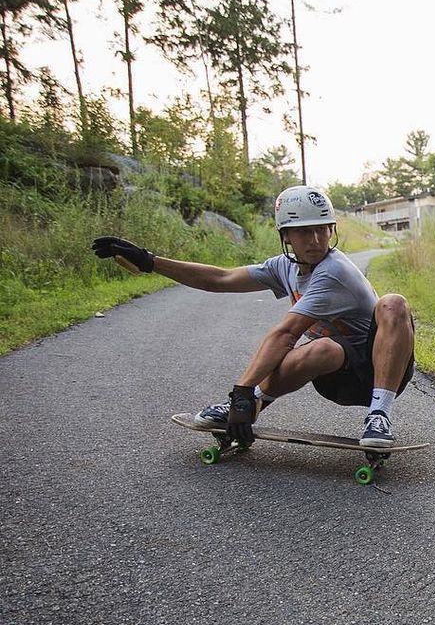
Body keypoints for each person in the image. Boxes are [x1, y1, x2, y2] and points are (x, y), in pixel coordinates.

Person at [92, 186, 415, 449]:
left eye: (322, 229)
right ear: (286, 236)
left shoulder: (333, 272)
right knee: (322, 348)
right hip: (337, 377)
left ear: (332, 230)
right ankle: (254, 405)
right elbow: (220, 278)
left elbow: (286, 334)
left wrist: (241, 390)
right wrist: (150, 262)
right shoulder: (284, 267)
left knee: (393, 303)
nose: (316, 240)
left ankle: (379, 416)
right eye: (304, 232)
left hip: (383, 371)